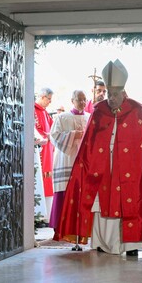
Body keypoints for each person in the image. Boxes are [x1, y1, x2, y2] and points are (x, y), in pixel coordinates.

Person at [54, 59, 142, 256]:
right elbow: (88, 144)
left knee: (130, 202)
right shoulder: (99, 111)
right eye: (109, 94)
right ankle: (101, 242)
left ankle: (131, 245)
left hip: (131, 170)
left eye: (115, 94)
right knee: (100, 205)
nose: (111, 98)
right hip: (102, 168)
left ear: (124, 94)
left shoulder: (138, 112)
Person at [49, 90, 90, 231]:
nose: (83, 103)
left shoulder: (90, 117)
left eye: (84, 100)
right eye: (79, 99)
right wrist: (73, 135)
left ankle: (80, 227)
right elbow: (53, 136)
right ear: (72, 100)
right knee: (64, 190)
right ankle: (61, 226)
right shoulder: (62, 117)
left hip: (84, 160)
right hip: (66, 158)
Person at [34, 87, 55, 223]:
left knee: (47, 182)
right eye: (49, 99)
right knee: (40, 182)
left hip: (48, 152)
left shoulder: (45, 113)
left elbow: (52, 129)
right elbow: (35, 129)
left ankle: (46, 215)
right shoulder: (33, 110)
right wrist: (43, 137)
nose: (50, 102)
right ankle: (38, 215)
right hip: (40, 152)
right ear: (42, 97)